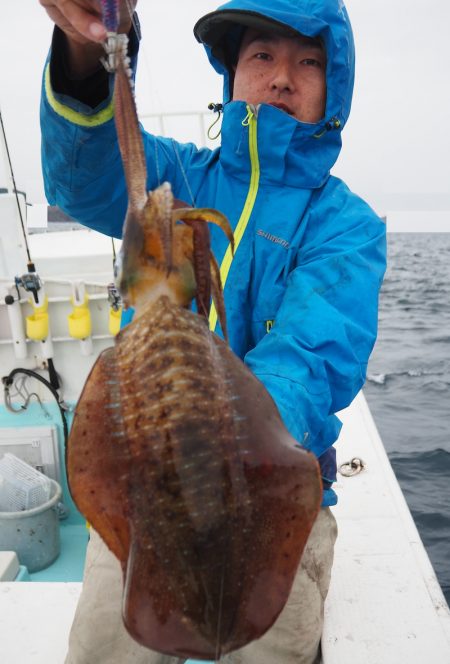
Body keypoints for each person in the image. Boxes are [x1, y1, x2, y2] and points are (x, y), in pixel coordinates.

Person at [38, 1, 386, 662]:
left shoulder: (346, 226)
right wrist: (87, 48)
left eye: (308, 62)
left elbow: (314, 355)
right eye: (262, 56)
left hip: (274, 490)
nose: (283, 77)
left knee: (264, 639)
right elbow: (83, 177)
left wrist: (210, 446)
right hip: (145, 493)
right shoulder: (180, 177)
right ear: (231, 77)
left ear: (334, 86)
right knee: (105, 646)